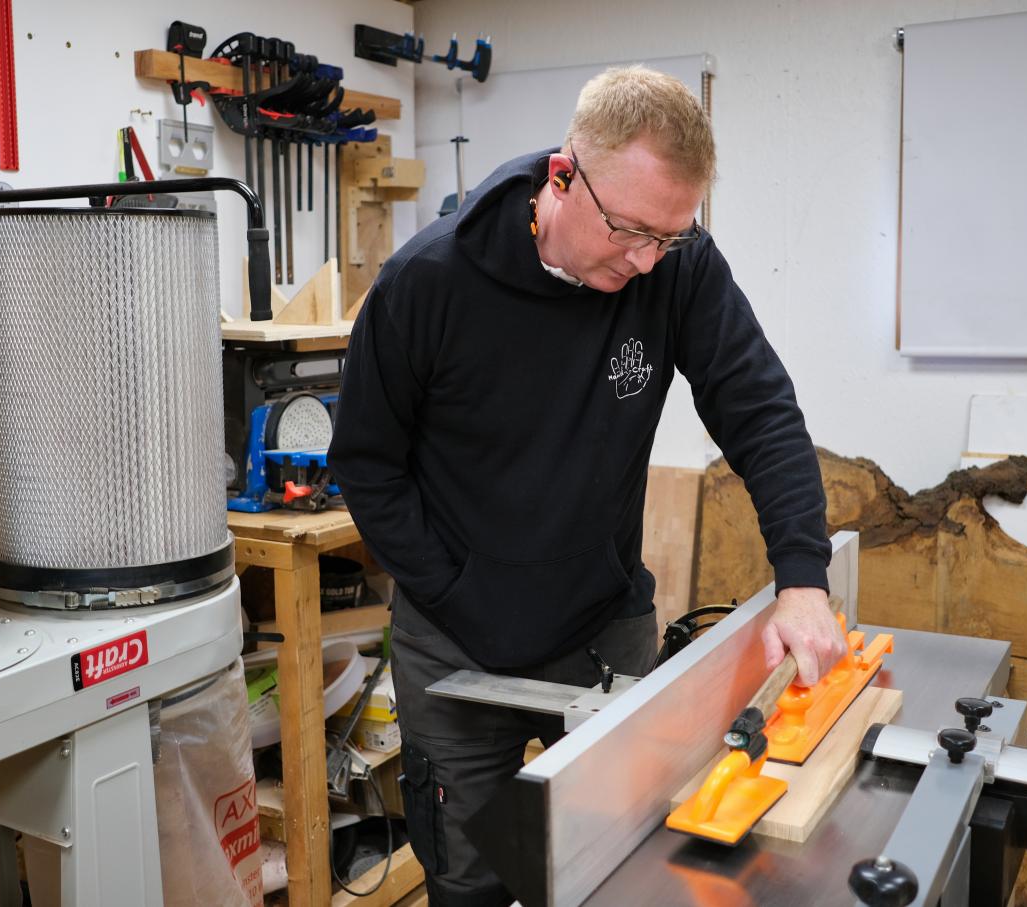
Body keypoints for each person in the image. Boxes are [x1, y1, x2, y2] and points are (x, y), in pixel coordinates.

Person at [328, 65, 845, 906]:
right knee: (468, 877)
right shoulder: (429, 281)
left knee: (627, 867)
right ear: (563, 177)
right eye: (629, 230)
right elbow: (366, 464)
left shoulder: (675, 264)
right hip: (454, 641)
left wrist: (803, 577)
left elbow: (759, 410)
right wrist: (456, 589)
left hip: (602, 626)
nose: (645, 260)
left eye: (668, 237)